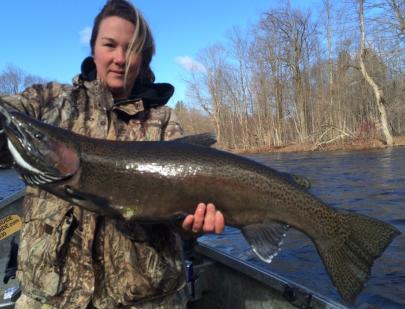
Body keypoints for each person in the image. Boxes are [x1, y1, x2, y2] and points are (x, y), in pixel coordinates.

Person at [0, 1, 225, 308]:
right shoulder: (49, 102)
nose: (119, 58)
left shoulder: (164, 121)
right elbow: (8, 118)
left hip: (148, 300)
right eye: (109, 45)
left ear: (143, 58)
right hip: (51, 299)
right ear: (93, 49)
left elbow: (180, 225)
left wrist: (189, 226)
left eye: (131, 48)